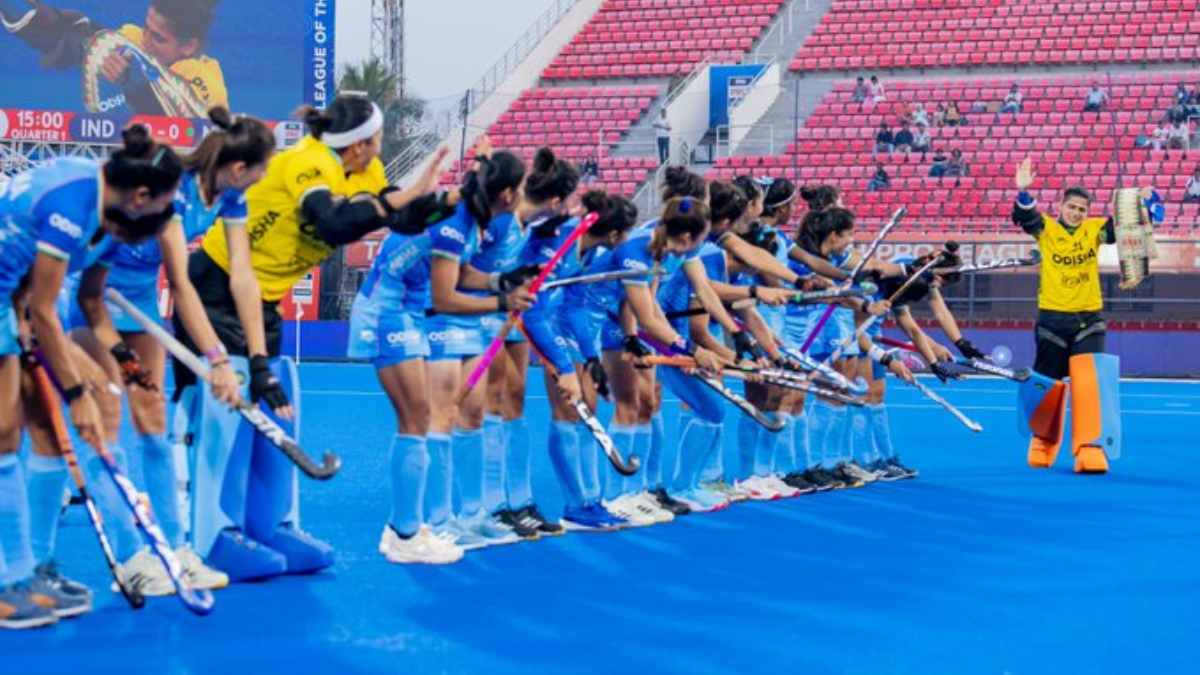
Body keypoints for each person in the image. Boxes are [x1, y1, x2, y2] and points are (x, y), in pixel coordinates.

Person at [176, 94, 448, 581]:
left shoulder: (368, 170)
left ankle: (269, 524)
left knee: (277, 400)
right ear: (361, 143)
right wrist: (404, 198)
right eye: (378, 136)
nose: (381, 144)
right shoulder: (308, 160)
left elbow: (402, 219)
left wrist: (448, 202)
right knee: (230, 405)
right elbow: (335, 224)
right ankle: (215, 532)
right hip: (215, 286)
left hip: (262, 300)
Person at [0, 126, 242, 627]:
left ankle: (34, 570)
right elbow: (47, 308)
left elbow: (50, 293)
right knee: (5, 434)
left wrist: (27, 324)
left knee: (45, 435)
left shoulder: (109, 215)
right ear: (140, 197)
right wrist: (76, 392)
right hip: (16, 303)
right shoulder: (73, 203)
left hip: (12, 301)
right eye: (166, 206)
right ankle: (8, 584)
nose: (169, 217)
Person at [62, 107, 273, 594]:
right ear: (239, 168)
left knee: (154, 428)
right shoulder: (171, 195)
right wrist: (217, 359)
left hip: (137, 302)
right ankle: (131, 559)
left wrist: (253, 354)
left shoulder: (231, 197)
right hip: (96, 300)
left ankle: (174, 550)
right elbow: (181, 286)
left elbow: (242, 274)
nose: (262, 179)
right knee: (107, 429)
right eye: (262, 170)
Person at [1011, 157, 1151, 474]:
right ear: (1061, 206)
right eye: (1072, 207)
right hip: (1052, 319)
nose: (1077, 213)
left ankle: (1090, 446)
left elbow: (1121, 229)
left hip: (1089, 319)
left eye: (1082, 209)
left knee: (1089, 383)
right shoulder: (1046, 229)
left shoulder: (1094, 230)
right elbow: (1026, 217)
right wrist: (1023, 191)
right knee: (1046, 384)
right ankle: (1042, 441)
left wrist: (1136, 203)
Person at [0, 0, 229, 114]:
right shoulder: (133, 38)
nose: (146, 41)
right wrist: (56, 31)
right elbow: (85, 45)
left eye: (158, 38)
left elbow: (175, 115)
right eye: (146, 28)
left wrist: (132, 81)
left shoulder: (205, 80)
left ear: (188, 46)